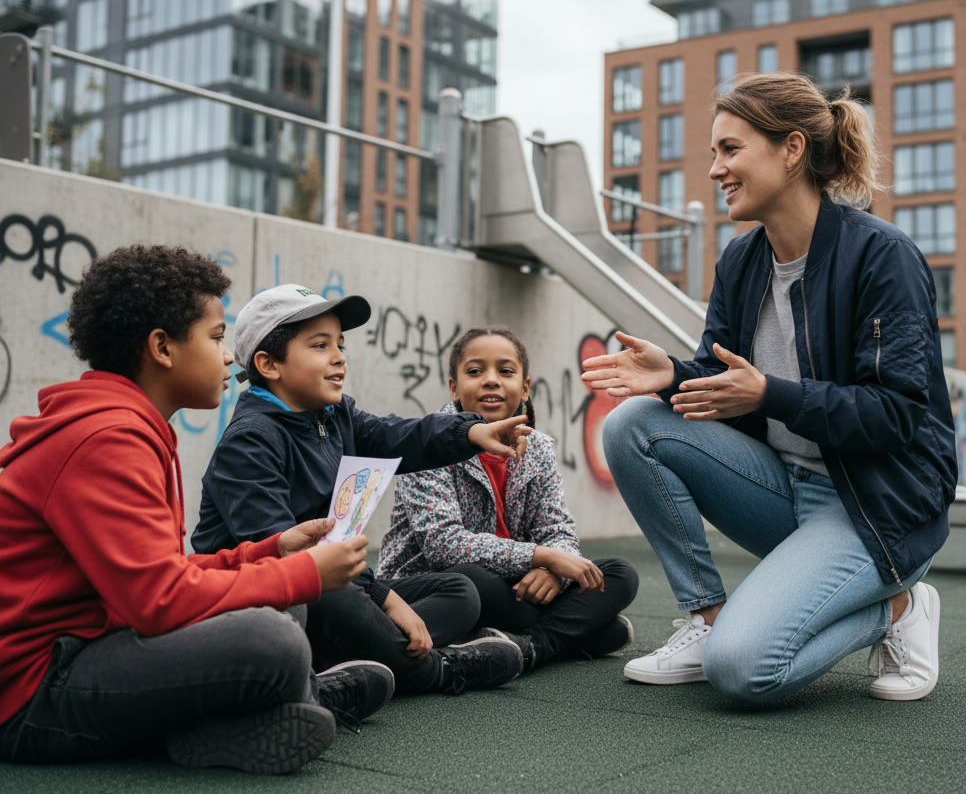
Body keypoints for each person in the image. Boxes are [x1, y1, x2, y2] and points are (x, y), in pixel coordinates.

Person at [581, 72, 958, 706]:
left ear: (791, 149)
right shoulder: (741, 260)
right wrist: (674, 374)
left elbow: (896, 416)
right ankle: (704, 618)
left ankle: (898, 609)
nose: (714, 169)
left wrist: (770, 396)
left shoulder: (882, 257)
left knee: (743, 672)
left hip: (875, 508)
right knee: (631, 425)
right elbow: (726, 382)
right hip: (782, 488)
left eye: (730, 150)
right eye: (713, 153)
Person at [0, 245, 394, 774]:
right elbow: (158, 601)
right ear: (162, 348)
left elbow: (164, 575)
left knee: (282, 604)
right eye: (214, 338)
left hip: (92, 644)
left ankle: (259, 710)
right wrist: (301, 572)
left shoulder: (129, 426)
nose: (228, 354)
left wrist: (271, 550)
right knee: (271, 639)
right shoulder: (106, 439)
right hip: (31, 695)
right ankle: (293, 701)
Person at [193, 285, 529, 696]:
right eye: (320, 345)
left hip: (337, 584)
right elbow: (288, 557)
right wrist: (385, 599)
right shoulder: (250, 442)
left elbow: (399, 436)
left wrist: (471, 430)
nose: (338, 357)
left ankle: (356, 655)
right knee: (330, 594)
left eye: (340, 344)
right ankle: (439, 670)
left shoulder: (335, 415)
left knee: (460, 590)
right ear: (268, 364)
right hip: (274, 600)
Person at [377, 327, 639, 671]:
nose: (490, 381)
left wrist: (554, 572)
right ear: (454, 388)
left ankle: (530, 646)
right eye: (474, 372)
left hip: (513, 584)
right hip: (442, 585)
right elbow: (443, 544)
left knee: (619, 573)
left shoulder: (539, 447)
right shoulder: (429, 443)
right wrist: (540, 557)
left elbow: (557, 528)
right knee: (476, 581)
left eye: (505, 371)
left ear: (525, 387)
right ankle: (573, 631)